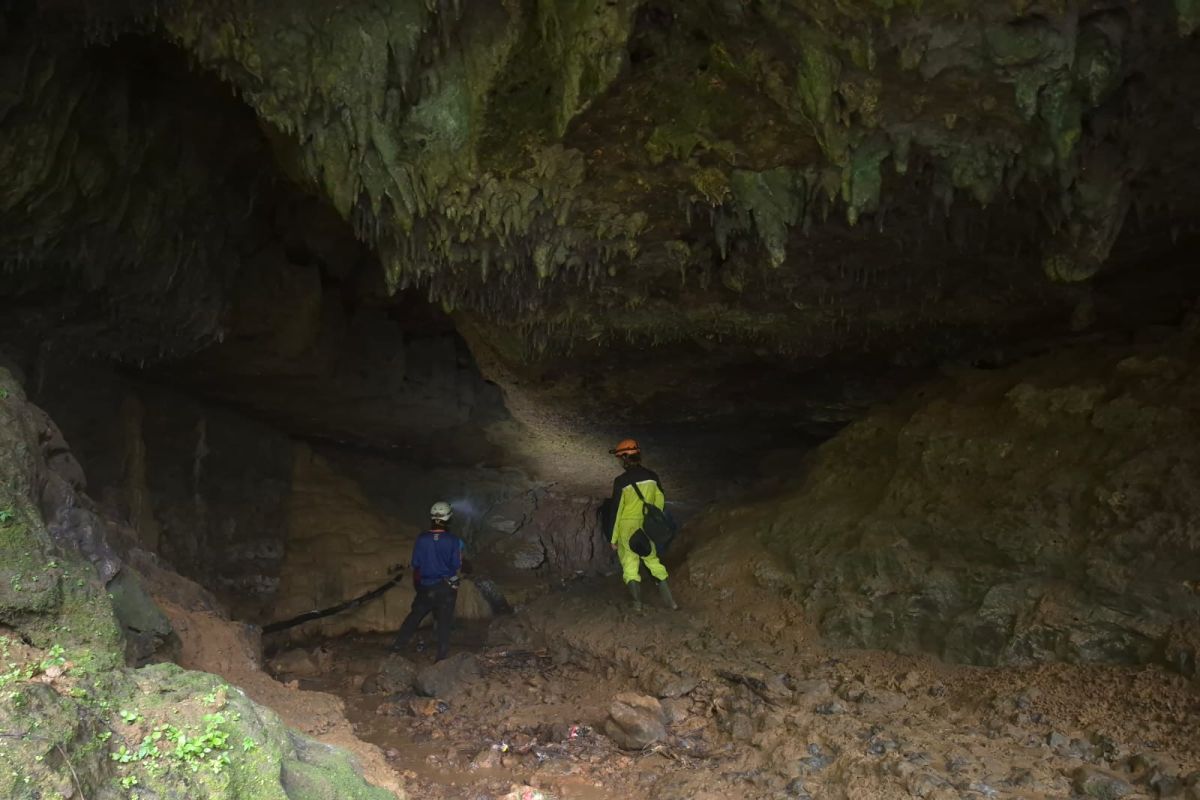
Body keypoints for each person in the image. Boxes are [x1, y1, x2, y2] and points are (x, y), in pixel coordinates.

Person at [607, 438, 679, 613]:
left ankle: (637, 605)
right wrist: (651, 519)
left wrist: (613, 537)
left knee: (630, 565)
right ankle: (671, 603)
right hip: (646, 526)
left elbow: (617, 511)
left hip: (627, 527)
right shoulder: (652, 477)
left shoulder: (621, 482)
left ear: (625, 458)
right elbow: (659, 501)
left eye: (619, 458)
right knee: (653, 561)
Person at [390, 501, 464, 661]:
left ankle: (397, 645)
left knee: (415, 616)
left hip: (426, 587)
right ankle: (441, 655)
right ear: (448, 518)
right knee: (444, 620)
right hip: (445, 587)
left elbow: (416, 563)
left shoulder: (422, 539)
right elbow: (456, 564)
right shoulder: (453, 540)